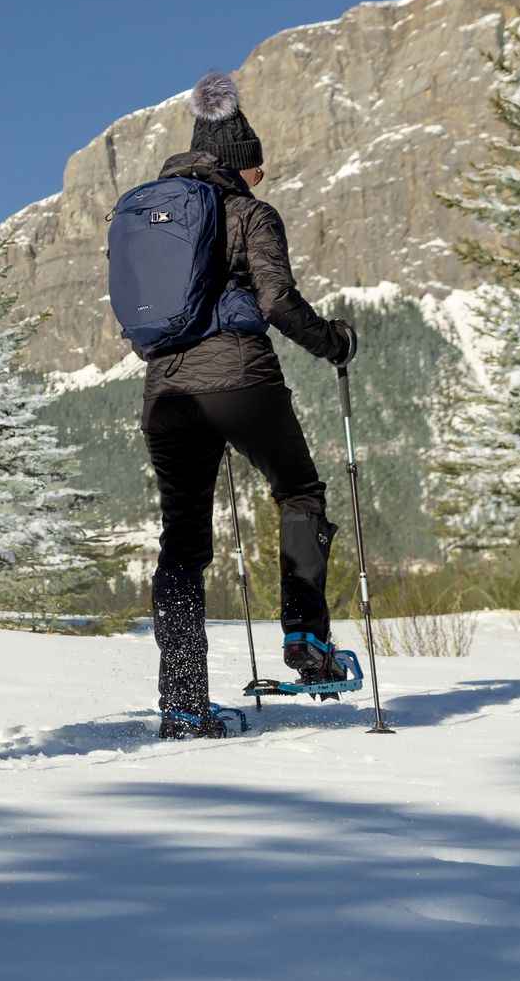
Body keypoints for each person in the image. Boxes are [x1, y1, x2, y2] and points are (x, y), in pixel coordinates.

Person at [140, 71, 356, 739]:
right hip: (240, 378)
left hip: (164, 391)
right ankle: (307, 642)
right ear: (237, 164)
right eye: (257, 169)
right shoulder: (252, 214)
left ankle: (182, 703)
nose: (262, 179)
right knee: (299, 492)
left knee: (182, 546)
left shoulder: (151, 216)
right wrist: (334, 343)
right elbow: (278, 302)